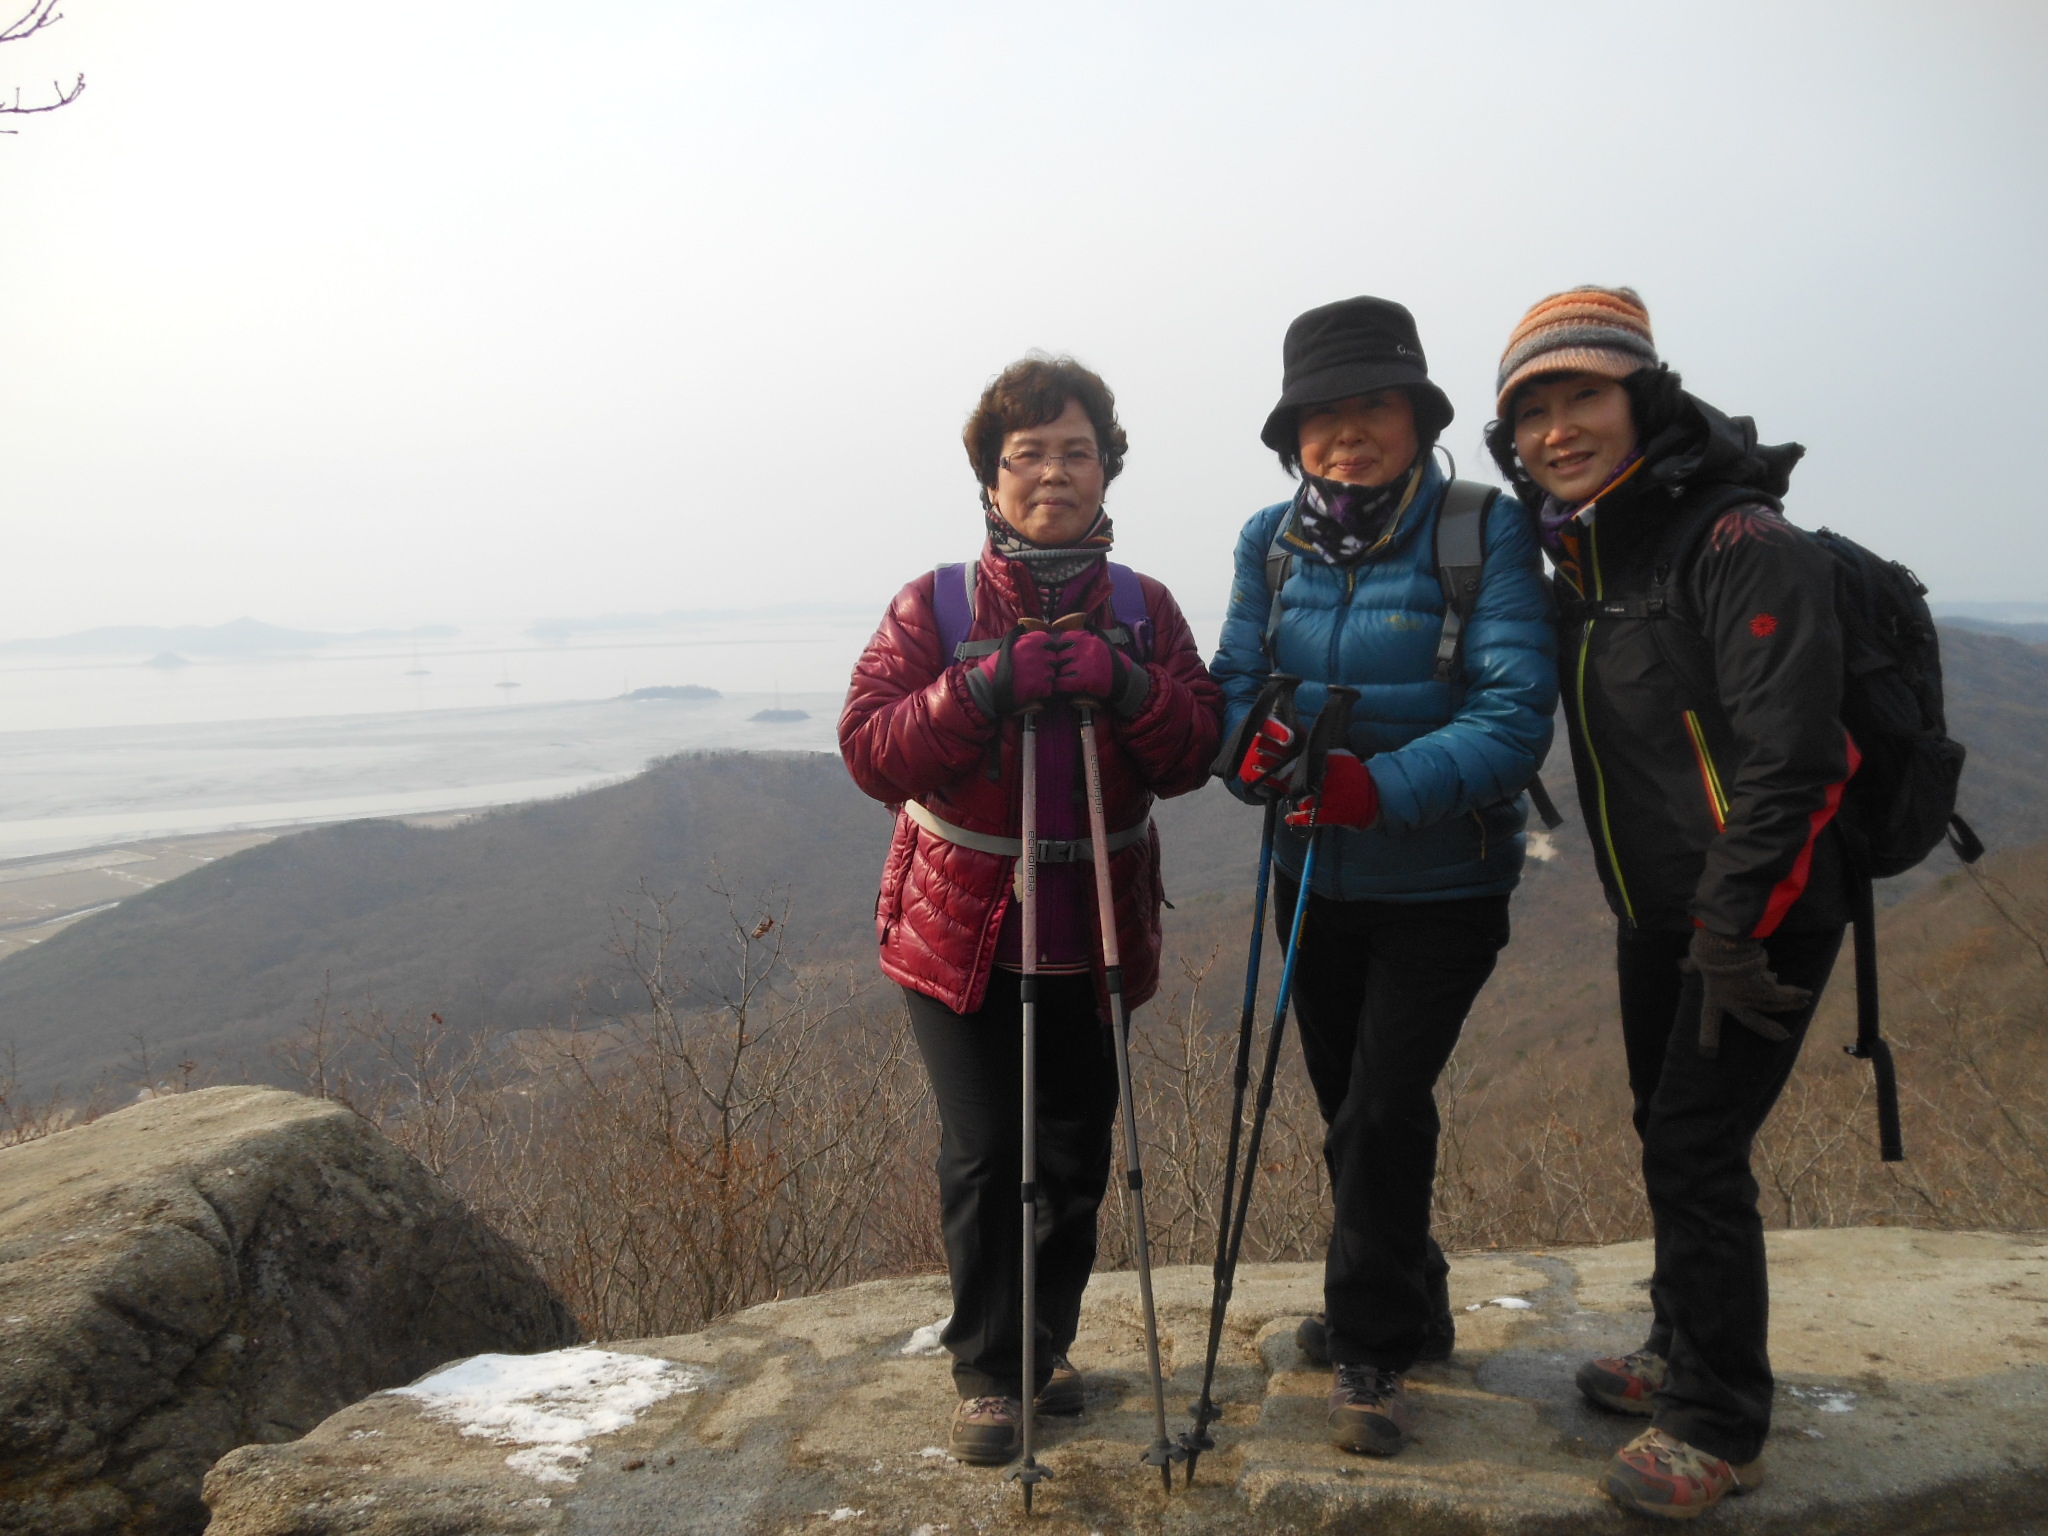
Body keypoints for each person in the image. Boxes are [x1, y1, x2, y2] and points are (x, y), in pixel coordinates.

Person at [1486, 286, 1850, 1519]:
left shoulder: (1735, 542)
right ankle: (1678, 1342)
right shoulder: (1591, 551)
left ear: (1641, 397)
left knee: (1696, 1145)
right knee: (1667, 1127)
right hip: (1660, 903)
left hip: (1757, 908)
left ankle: (1718, 1421)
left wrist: (1734, 925)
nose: (1556, 429)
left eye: (1581, 396)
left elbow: (1793, 758)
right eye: (1531, 410)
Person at [839, 355, 1221, 1465]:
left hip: (1093, 920)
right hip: (960, 923)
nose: (1053, 472)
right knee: (984, 1152)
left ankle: (1037, 1353)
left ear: (1106, 471)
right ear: (990, 478)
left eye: (1076, 452)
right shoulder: (936, 605)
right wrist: (983, 686)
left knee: (1073, 1156)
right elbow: (869, 749)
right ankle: (987, 1375)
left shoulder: (1144, 609)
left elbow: (1195, 747)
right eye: (1028, 454)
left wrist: (1127, 683)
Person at [1210, 297, 1556, 1457]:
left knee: (1377, 1107)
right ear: (1291, 437)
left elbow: (1513, 716)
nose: (1346, 432)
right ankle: (1413, 1298)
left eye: (1372, 405)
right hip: (1311, 875)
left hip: (1444, 882)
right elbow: (1232, 680)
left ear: (1417, 417)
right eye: (1320, 415)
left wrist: (1372, 787)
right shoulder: (1269, 541)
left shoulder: (1480, 530)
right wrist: (1247, 749)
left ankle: (1369, 1351)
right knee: (1347, 1111)